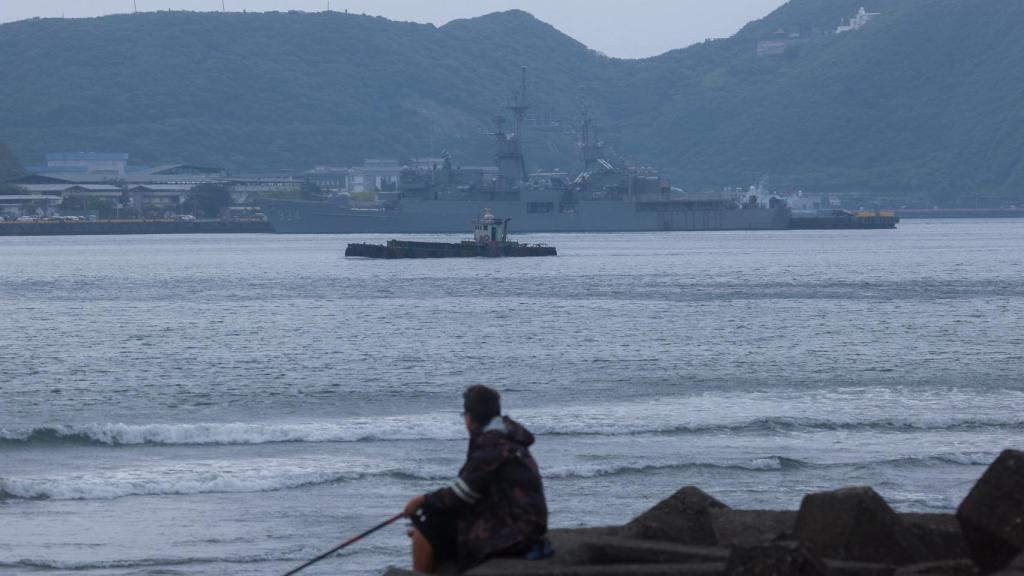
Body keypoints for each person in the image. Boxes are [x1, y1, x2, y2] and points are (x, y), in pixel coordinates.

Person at [403, 385, 548, 573]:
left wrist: (421, 500)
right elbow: (471, 490)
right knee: (432, 518)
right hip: (526, 524)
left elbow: (460, 494)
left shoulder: (492, 444)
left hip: (517, 533)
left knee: (426, 520)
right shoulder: (506, 435)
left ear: (469, 418)